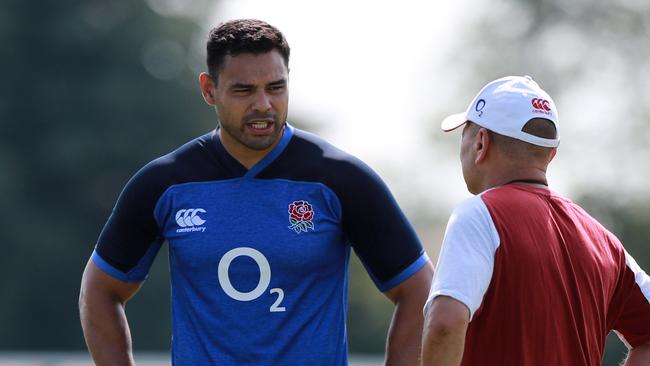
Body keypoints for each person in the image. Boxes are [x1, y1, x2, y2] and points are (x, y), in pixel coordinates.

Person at [79, 19, 433, 365]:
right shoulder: (165, 183)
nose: (263, 104)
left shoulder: (340, 179)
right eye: (244, 90)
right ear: (208, 89)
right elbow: (100, 290)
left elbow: (419, 290)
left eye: (276, 88)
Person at [420, 76, 650, 365]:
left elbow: (444, 326)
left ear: (481, 143)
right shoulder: (604, 242)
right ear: (551, 155)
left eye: (464, 132)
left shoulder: (478, 215)